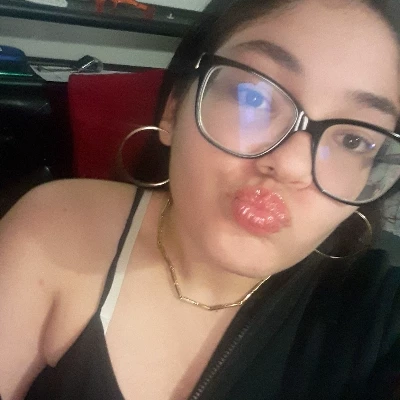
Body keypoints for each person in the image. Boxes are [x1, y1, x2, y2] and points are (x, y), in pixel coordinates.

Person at [1, 0, 400, 398]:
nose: (291, 165)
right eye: (254, 97)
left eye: (354, 140)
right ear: (174, 109)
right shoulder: (56, 229)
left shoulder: (373, 315)